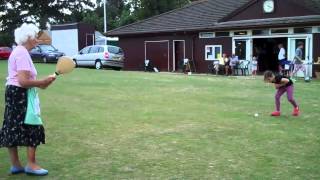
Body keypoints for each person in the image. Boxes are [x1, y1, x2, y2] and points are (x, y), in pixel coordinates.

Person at [0, 23, 56, 176]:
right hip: (20, 93)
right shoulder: (22, 53)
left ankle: (16, 165)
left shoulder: (18, 51)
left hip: (14, 92)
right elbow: (24, 81)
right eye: (35, 36)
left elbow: (24, 81)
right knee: (33, 125)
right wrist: (42, 82)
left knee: (12, 126)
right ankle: (31, 164)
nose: (37, 39)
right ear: (29, 37)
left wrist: (43, 84)